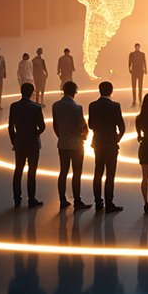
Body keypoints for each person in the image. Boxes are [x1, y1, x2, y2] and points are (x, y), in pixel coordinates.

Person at [88, 81, 125, 212]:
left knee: (98, 173)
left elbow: (90, 125)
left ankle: (98, 202)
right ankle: (109, 204)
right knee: (110, 175)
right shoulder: (115, 106)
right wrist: (117, 139)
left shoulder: (92, 105)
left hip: (98, 143)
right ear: (111, 91)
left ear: (99, 91)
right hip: (111, 144)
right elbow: (122, 127)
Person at [53, 80, 90, 209]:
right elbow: (81, 125)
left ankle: (62, 199)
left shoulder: (56, 105)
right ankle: (77, 200)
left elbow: (55, 125)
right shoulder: (77, 107)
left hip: (62, 143)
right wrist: (84, 134)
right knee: (77, 172)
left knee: (63, 171)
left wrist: (62, 136)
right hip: (76, 144)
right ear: (74, 91)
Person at [8, 82, 45, 207]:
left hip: (19, 142)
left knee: (18, 170)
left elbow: (10, 126)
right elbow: (42, 126)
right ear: (32, 92)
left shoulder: (14, 106)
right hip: (32, 143)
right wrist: (35, 134)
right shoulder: (36, 107)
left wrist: (14, 140)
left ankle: (17, 199)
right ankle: (31, 199)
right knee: (32, 171)